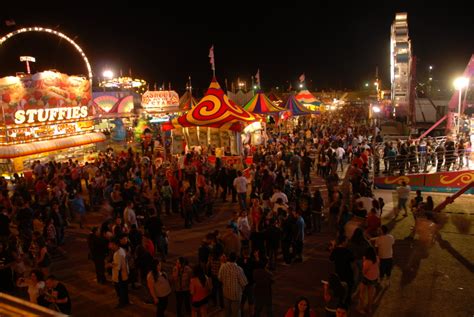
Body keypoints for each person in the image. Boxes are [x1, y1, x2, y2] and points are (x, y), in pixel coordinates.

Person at [218, 252, 248, 317]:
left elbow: (220, 278)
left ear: (228, 258)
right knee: (236, 313)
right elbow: (244, 283)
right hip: (236, 295)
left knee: (227, 312)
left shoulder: (223, 267)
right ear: (236, 259)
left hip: (226, 293)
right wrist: (241, 291)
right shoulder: (239, 269)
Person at [107, 238, 130, 308]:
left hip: (120, 275)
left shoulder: (117, 254)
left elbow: (117, 267)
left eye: (112, 245)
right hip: (125, 273)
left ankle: (122, 303)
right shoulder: (122, 250)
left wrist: (110, 265)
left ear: (115, 245)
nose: (110, 246)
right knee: (125, 289)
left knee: (120, 290)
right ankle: (126, 301)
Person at [357, 247, 379, 314]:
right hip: (374, 278)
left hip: (367, 278)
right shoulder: (377, 258)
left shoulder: (367, 262)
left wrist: (364, 262)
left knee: (362, 294)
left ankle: (361, 308)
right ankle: (369, 308)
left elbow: (364, 272)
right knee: (370, 294)